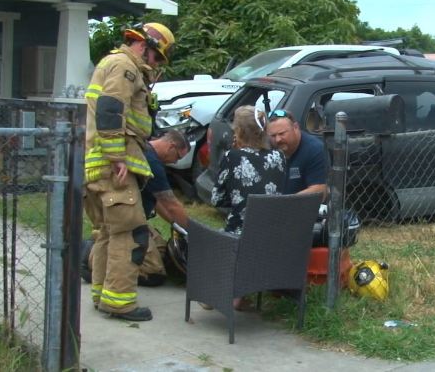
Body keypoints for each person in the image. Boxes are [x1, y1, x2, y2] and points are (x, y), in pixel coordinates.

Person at [82, 21, 175, 322]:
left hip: (99, 164)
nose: (157, 64)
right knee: (131, 233)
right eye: (158, 57)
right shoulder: (126, 67)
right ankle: (120, 302)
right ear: (145, 47)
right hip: (113, 167)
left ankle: (103, 295)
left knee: (107, 232)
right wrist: (116, 157)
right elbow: (111, 108)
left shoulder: (110, 62)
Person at [81, 130, 190, 287]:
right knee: (153, 272)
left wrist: (177, 226)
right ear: (171, 146)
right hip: (126, 219)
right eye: (178, 157)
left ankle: (102, 252)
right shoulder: (151, 161)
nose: (175, 162)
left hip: (133, 218)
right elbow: (171, 204)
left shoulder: (146, 153)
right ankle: (89, 259)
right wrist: (192, 231)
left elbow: (159, 202)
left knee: (161, 249)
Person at [212, 106, 286, 235]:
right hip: (271, 232)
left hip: (241, 233)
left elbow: (217, 199)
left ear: (238, 132)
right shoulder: (279, 156)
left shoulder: (232, 156)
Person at [266, 109, 328, 200]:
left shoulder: (315, 149)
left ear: (295, 127)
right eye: (273, 135)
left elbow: (320, 190)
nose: (277, 140)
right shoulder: (268, 148)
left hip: (303, 210)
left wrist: (283, 204)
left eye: (282, 134)